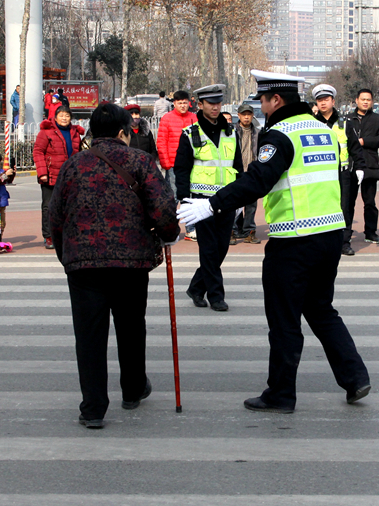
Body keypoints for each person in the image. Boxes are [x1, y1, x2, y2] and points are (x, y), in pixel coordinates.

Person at [177, 70, 370, 413]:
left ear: (276, 100)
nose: (262, 108)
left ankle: (281, 394)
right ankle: (355, 377)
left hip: (294, 240)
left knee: (284, 320)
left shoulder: (279, 135)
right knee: (322, 310)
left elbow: (258, 180)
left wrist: (210, 204)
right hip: (329, 235)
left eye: (263, 101)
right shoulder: (322, 130)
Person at [48, 103, 179, 429]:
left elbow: (55, 216)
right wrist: (169, 235)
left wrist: (67, 255)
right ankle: (133, 390)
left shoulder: (73, 165)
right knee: (131, 326)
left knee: (89, 335)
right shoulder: (140, 161)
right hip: (131, 263)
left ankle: (93, 408)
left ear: (92, 132)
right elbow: (163, 209)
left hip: (83, 265)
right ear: (124, 132)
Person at [174, 84, 243, 312]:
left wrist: (242, 195)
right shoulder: (190, 133)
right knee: (209, 249)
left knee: (221, 248)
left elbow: (238, 166)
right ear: (200, 104)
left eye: (218, 102)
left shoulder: (231, 132)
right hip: (201, 202)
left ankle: (196, 287)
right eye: (210, 103)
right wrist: (183, 198)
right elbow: (181, 169)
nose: (215, 107)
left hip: (227, 199)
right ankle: (216, 296)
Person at [34, 106, 85, 249]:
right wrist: (42, 172)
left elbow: (79, 153)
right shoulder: (46, 132)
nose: (64, 118)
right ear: (55, 117)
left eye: (67, 115)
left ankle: (66, 234)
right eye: (61, 115)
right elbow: (38, 151)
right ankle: (49, 236)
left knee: (69, 207)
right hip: (51, 175)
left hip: (70, 177)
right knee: (49, 207)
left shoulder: (75, 133)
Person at [344, 89, 379, 244]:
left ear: (372, 102)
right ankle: (346, 234)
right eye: (362, 99)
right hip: (350, 166)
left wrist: (363, 141)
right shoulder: (347, 120)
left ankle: (370, 232)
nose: (365, 102)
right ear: (356, 100)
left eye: (368, 99)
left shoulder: (378, 119)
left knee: (369, 202)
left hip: (369, 166)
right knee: (348, 203)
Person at [313, 84, 353, 254]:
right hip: (318, 173)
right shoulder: (311, 123)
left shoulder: (343, 123)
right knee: (319, 206)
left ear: (333, 101)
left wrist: (360, 167)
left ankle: (344, 242)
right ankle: (321, 242)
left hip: (342, 173)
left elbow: (354, 147)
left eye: (326, 100)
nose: (323, 103)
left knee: (344, 207)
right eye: (320, 100)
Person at [158, 90, 198, 238]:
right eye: (179, 103)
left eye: (185, 103)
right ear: (174, 103)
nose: (183, 106)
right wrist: (166, 163)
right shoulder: (167, 119)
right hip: (174, 165)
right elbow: (162, 142)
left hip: (191, 164)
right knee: (173, 197)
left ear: (189, 103)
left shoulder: (194, 118)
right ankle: (169, 228)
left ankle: (190, 228)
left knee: (190, 196)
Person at [232, 103, 260, 244]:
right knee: (235, 202)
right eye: (244, 115)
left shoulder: (257, 132)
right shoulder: (232, 131)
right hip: (236, 171)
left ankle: (249, 230)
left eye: (249, 114)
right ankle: (234, 229)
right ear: (239, 116)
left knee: (251, 204)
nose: (247, 117)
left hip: (251, 171)